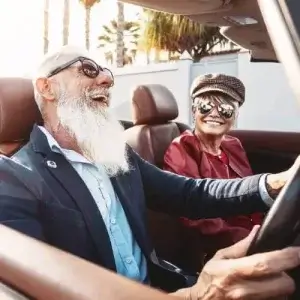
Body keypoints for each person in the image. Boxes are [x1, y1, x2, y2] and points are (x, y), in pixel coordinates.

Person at [0, 45, 298, 299]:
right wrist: (197, 295)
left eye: (107, 72)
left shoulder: (113, 153)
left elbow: (189, 194)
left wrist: (274, 184)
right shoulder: (13, 176)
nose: (106, 79)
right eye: (88, 69)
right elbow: (38, 288)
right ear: (46, 87)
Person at [164, 73, 264, 261]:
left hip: (254, 234)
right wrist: (249, 240)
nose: (215, 114)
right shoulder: (183, 147)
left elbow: (250, 195)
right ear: (194, 110)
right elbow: (193, 213)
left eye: (225, 109)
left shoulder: (233, 145)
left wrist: (265, 227)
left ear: (235, 116)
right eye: (206, 106)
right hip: (219, 249)